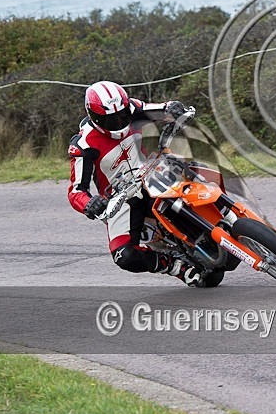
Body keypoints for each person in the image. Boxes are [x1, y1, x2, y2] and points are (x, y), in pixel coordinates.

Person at [67, 80, 204, 285]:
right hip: (122, 197)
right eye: (111, 120)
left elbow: (162, 108)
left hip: (152, 171)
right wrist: (89, 203)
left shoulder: (131, 107)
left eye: (122, 115)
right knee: (123, 255)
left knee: (193, 167)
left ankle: (228, 216)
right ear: (94, 117)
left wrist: (174, 108)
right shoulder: (83, 145)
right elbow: (76, 190)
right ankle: (176, 267)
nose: (120, 121)